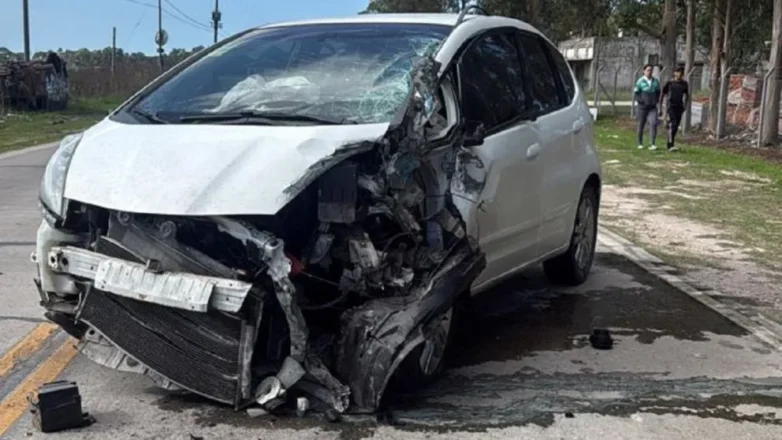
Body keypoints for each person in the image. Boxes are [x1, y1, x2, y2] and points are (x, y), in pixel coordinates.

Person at [660, 66, 690, 152]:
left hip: (679, 106)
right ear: (674, 73)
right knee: (673, 123)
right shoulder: (669, 83)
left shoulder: (684, 84)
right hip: (671, 106)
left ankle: (671, 141)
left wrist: (685, 105)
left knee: (676, 125)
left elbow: (687, 95)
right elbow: (662, 94)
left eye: (681, 72)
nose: (680, 73)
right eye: (678, 71)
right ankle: (670, 145)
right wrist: (660, 107)